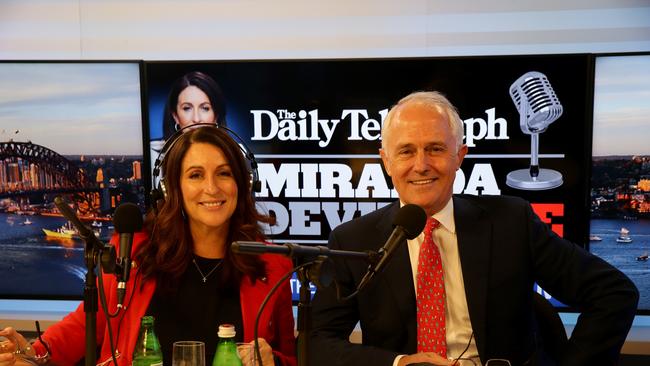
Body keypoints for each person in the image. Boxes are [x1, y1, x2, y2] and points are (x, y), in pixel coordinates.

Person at [308, 91, 638, 366]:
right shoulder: (353, 239)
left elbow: (614, 293)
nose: (421, 164)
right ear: (386, 161)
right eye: (406, 151)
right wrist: (397, 364)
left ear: (459, 155)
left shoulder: (512, 221)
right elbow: (316, 342)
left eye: (436, 148)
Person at [0, 126, 296, 366]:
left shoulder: (274, 265)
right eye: (195, 175)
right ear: (171, 188)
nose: (212, 188)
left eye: (224, 173)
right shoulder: (134, 253)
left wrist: (275, 362)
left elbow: (290, 358)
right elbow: (85, 327)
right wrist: (33, 354)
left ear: (243, 184)